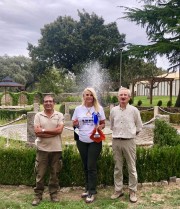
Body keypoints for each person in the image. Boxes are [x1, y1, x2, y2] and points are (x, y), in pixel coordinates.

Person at [72, 87, 106, 203]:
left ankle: (92, 192)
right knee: (85, 165)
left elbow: (103, 124)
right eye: (87, 95)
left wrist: (99, 127)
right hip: (82, 140)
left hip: (95, 141)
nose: (89, 97)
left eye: (91, 95)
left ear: (94, 97)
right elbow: (74, 124)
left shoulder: (98, 108)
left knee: (91, 166)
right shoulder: (78, 109)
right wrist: (75, 125)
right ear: (83, 96)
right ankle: (87, 188)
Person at [110, 87, 143, 203]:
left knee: (131, 167)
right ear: (118, 97)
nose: (123, 97)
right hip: (116, 141)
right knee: (117, 167)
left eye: (125, 95)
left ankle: (133, 191)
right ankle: (118, 190)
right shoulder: (113, 110)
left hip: (129, 141)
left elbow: (139, 127)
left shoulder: (134, 110)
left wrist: (131, 135)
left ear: (129, 97)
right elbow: (112, 125)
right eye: (121, 95)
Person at [32, 94, 64, 206]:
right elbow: (37, 132)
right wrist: (52, 132)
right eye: (46, 101)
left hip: (56, 149)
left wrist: (44, 131)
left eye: (50, 101)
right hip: (42, 149)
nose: (48, 103)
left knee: (55, 174)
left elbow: (59, 131)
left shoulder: (59, 115)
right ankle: (38, 196)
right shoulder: (38, 116)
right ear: (43, 103)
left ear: (54, 103)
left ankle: (53, 194)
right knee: (40, 174)